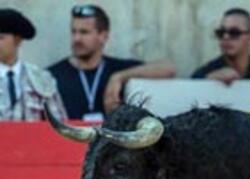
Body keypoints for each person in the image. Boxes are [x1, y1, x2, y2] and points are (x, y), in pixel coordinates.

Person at [48, 4, 176, 120]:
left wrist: (118, 78)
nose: (76, 38)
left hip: (109, 143)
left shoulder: (118, 68)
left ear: (103, 36)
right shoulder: (52, 75)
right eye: (73, 31)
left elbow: (169, 68)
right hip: (67, 143)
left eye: (84, 32)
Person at [0, 9, 67, 121]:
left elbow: (58, 123)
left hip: (33, 138)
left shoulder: (42, 79)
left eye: (1, 38)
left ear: (17, 40)